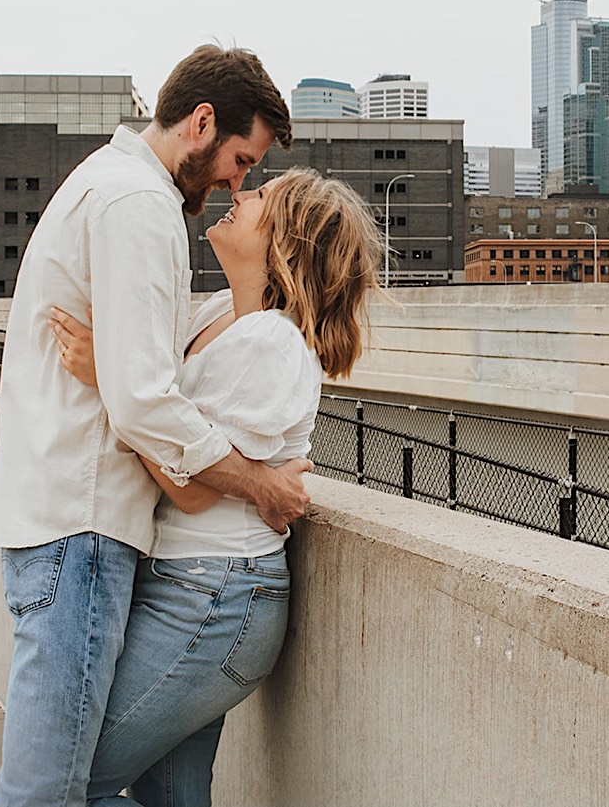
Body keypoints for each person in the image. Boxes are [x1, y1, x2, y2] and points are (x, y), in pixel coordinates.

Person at [0, 45, 311, 807]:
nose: (236, 182)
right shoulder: (140, 205)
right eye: (240, 158)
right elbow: (148, 402)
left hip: (62, 518)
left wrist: (117, 373)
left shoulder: (106, 182)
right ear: (201, 121)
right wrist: (260, 483)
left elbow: (145, 380)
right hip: (82, 527)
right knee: (47, 790)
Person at [48, 168, 382, 805]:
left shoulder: (271, 344)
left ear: (286, 241)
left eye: (263, 199)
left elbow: (195, 489)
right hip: (189, 588)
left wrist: (108, 382)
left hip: (212, 599)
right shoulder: (220, 314)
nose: (241, 194)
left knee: (64, 782)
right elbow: (184, 444)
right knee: (168, 795)